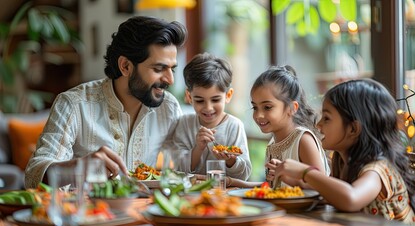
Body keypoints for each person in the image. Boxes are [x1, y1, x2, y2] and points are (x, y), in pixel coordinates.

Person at [24, 16, 187, 188]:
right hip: (86, 213)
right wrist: (80, 167)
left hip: (143, 213)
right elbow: (33, 176)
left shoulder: (168, 108)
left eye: (172, 69)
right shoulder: (74, 104)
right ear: (125, 66)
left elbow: (187, 163)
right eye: (159, 68)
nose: (170, 79)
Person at [269, 78, 415, 225]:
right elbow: (332, 196)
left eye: (327, 118)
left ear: (353, 128)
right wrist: (298, 183)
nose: (318, 125)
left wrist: (306, 172)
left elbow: (351, 198)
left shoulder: (377, 169)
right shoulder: (341, 160)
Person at [171, 52, 252, 180]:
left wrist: (231, 161)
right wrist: (198, 148)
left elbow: (244, 174)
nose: (208, 108)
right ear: (189, 97)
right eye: (199, 100)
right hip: (191, 193)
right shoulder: (184, 124)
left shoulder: (234, 126)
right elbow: (178, 169)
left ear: (228, 95)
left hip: (224, 194)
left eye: (215, 100)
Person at [251, 65, 330, 188]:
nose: (258, 115)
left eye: (267, 107)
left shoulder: (303, 140)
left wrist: (290, 179)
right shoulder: (272, 143)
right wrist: (235, 183)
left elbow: (322, 185)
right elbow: (273, 188)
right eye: (255, 107)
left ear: (292, 108)